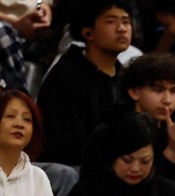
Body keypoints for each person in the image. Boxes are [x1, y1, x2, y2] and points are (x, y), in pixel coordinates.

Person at [36, 0, 133, 165]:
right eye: (111, 21)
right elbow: (62, 145)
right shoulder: (66, 75)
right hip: (75, 169)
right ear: (88, 33)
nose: (122, 28)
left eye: (126, 21)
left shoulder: (127, 76)